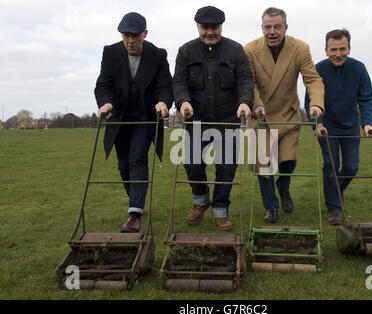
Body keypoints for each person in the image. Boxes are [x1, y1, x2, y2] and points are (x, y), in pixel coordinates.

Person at [172, 6, 253, 231]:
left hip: (228, 120)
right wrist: (182, 102)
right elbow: (178, 82)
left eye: (214, 28)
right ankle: (200, 201)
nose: (210, 32)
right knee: (192, 164)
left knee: (226, 168)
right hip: (195, 120)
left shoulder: (235, 50)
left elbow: (245, 79)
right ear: (197, 26)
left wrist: (245, 102)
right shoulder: (186, 51)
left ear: (221, 27)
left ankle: (220, 211)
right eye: (205, 27)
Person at [244, 7, 325, 223]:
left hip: (288, 116)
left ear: (285, 28)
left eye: (277, 27)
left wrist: (316, 104)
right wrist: (257, 105)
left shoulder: (300, 48)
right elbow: (248, 84)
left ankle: (284, 186)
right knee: (264, 166)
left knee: (288, 161)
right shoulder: (250, 50)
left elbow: (312, 79)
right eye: (268, 27)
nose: (272, 31)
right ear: (262, 28)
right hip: (260, 116)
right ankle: (271, 207)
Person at [94, 12, 173, 233]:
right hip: (119, 119)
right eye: (126, 36)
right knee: (123, 165)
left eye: (135, 36)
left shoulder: (157, 55)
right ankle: (136, 199)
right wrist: (106, 103)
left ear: (145, 34)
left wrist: (163, 102)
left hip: (145, 119)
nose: (130, 41)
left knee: (138, 157)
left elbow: (165, 85)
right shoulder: (110, 53)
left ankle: (134, 214)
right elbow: (103, 85)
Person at [305, 28, 372, 225]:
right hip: (327, 127)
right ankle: (334, 209)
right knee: (331, 165)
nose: (338, 54)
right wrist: (316, 124)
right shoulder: (317, 70)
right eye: (333, 49)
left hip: (350, 126)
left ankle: (337, 191)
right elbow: (309, 101)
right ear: (326, 50)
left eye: (342, 49)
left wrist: (367, 123)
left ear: (349, 49)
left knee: (352, 167)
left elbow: (367, 98)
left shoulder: (359, 69)